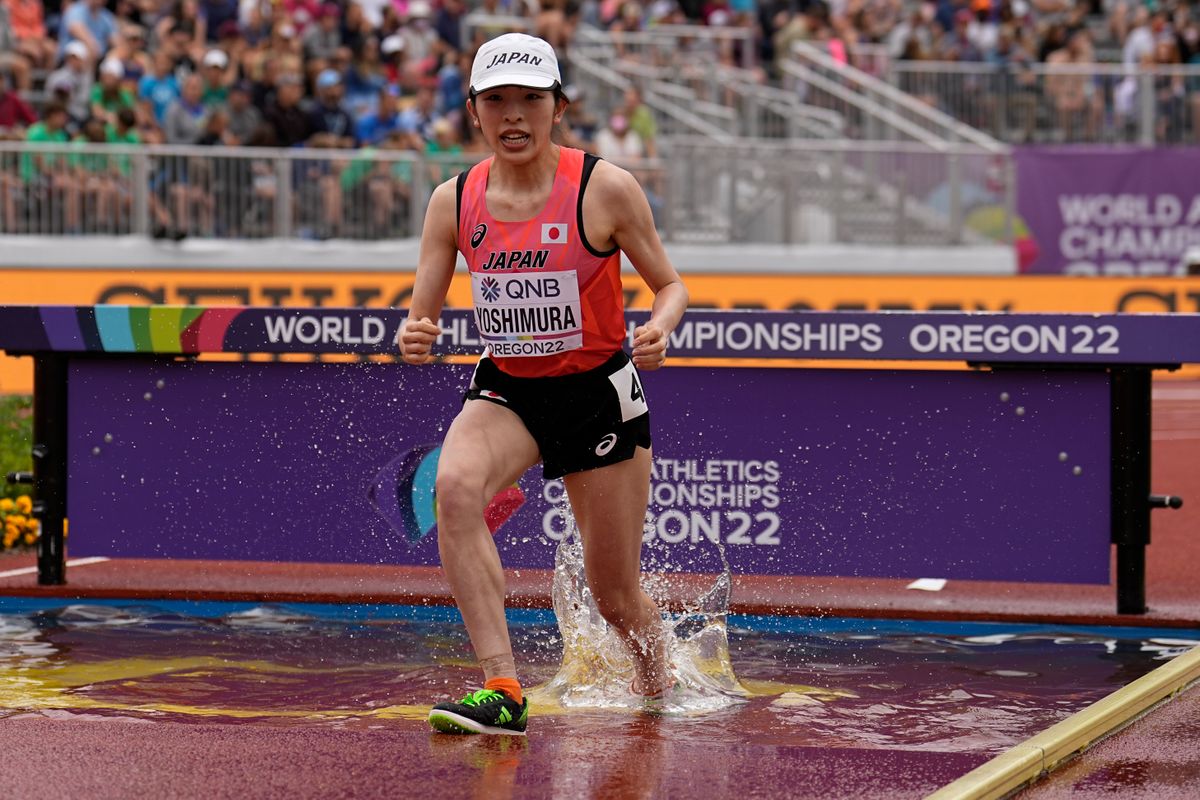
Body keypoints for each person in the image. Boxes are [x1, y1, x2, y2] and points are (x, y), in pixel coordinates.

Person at [400, 32, 688, 736]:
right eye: (497, 100)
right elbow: (420, 316)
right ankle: (502, 688)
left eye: (531, 99)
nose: (514, 115)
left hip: (598, 392)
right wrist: (414, 335)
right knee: (456, 487)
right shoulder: (453, 200)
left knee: (616, 599)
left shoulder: (605, 188)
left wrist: (662, 327)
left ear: (559, 107)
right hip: (511, 390)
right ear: (474, 112)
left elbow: (671, 286)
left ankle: (662, 692)